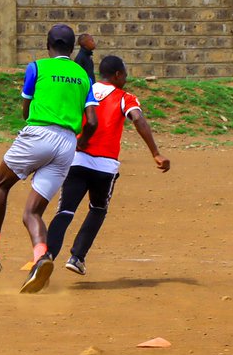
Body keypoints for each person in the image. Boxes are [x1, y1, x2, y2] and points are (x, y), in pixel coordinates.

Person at [0, 24, 98, 294]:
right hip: (67, 145)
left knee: (0, 185)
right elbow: (91, 120)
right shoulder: (83, 75)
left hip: (38, 134)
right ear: (72, 47)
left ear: (48, 45)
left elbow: (25, 108)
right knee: (32, 212)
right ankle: (41, 255)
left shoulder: (37, 67)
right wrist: (81, 142)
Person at [45, 55, 170, 275]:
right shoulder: (125, 97)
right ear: (118, 75)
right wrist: (156, 153)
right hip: (105, 166)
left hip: (77, 160)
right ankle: (77, 256)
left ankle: (45, 257)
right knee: (98, 209)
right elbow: (138, 119)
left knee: (65, 210)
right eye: (126, 73)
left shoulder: (85, 90)